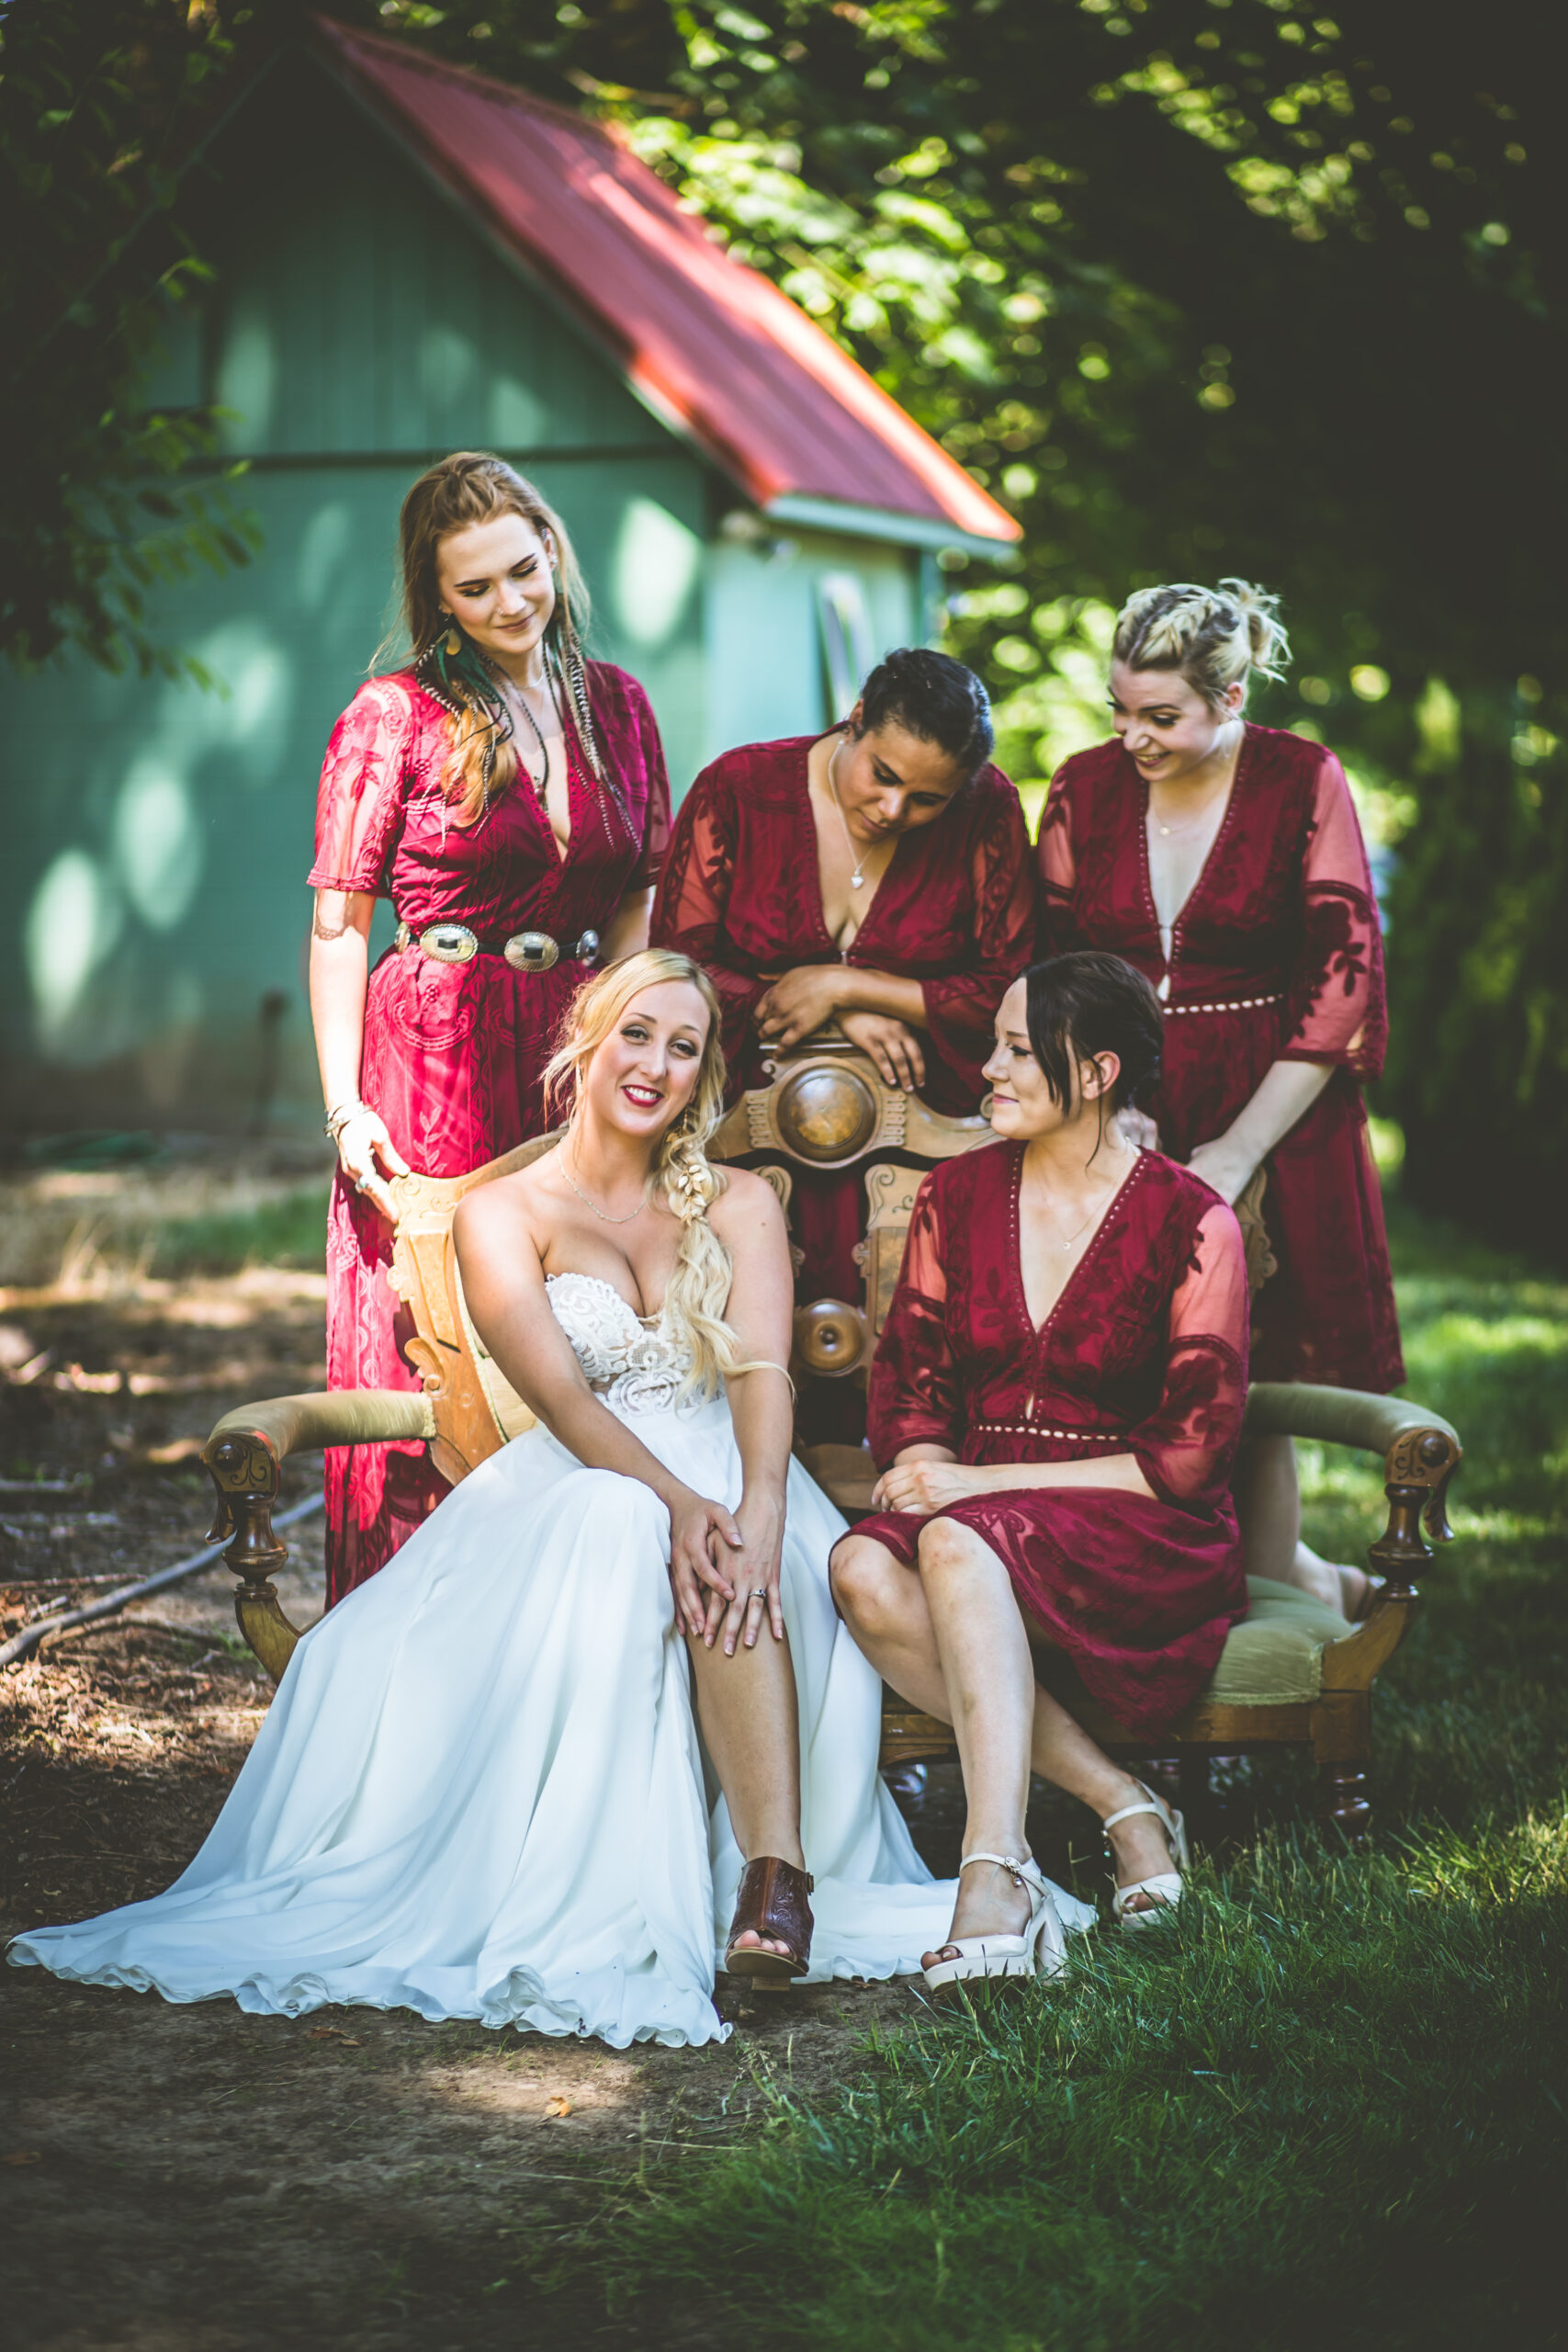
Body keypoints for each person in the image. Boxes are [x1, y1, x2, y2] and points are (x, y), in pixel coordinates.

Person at [11, 955, 1097, 2045]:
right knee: (627, 1522)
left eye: (683, 1048)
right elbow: (566, 1401)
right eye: (637, 1034)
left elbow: (765, 1371)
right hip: (580, 1482)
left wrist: (763, 1502)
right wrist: (679, 1501)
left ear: (703, 1072)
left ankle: (778, 1877)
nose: (656, 1066)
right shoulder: (502, 1214)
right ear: (587, 1036)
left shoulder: (740, 1199)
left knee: (729, 1542)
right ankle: (705, 1882)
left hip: (738, 1466)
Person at [831, 954, 1248, 1991]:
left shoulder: (1195, 1221)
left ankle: (992, 1865)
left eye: (1021, 1048)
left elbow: (1188, 1459)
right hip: (980, 1512)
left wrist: (962, 1493)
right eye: (999, 1042)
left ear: (1099, 1071)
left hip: (1139, 1524)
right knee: (860, 1570)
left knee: (955, 1539)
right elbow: (912, 1393)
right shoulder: (955, 1194)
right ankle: (1122, 1802)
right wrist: (930, 1467)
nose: (990, 1066)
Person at [309, 451, 671, 1604]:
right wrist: (343, 1103)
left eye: (524, 569)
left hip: (578, 1046)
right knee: (440, 1335)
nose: (510, 601)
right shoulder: (393, 715)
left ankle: (573, 1635)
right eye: (476, 588)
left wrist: (635, 1050)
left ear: (551, 550)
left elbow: (634, 903)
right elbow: (336, 923)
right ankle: (415, 1632)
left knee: (589, 1325)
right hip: (434, 1050)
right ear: (439, 600)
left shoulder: (618, 703)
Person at [1037, 581, 1403, 1615]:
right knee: (1122, 1378)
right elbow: (1056, 962)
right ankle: (1267, 1592)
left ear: (1232, 696)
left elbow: (1343, 981)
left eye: (1161, 716)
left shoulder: (1302, 778)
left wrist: (1238, 1153)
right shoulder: (1079, 788)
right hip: (1120, 1107)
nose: (1132, 737)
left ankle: (1273, 1616)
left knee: (1254, 1389)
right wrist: (1106, 1104)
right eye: (1118, 709)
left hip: (1274, 1108)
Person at [650, 649, 1033, 1322]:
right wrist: (825, 1005)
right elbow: (677, 966)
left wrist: (845, 988)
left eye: (927, 800)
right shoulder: (739, 788)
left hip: (928, 1148)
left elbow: (1012, 987)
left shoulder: (987, 806)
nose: (892, 809)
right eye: (882, 776)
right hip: (745, 1141)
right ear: (854, 721)